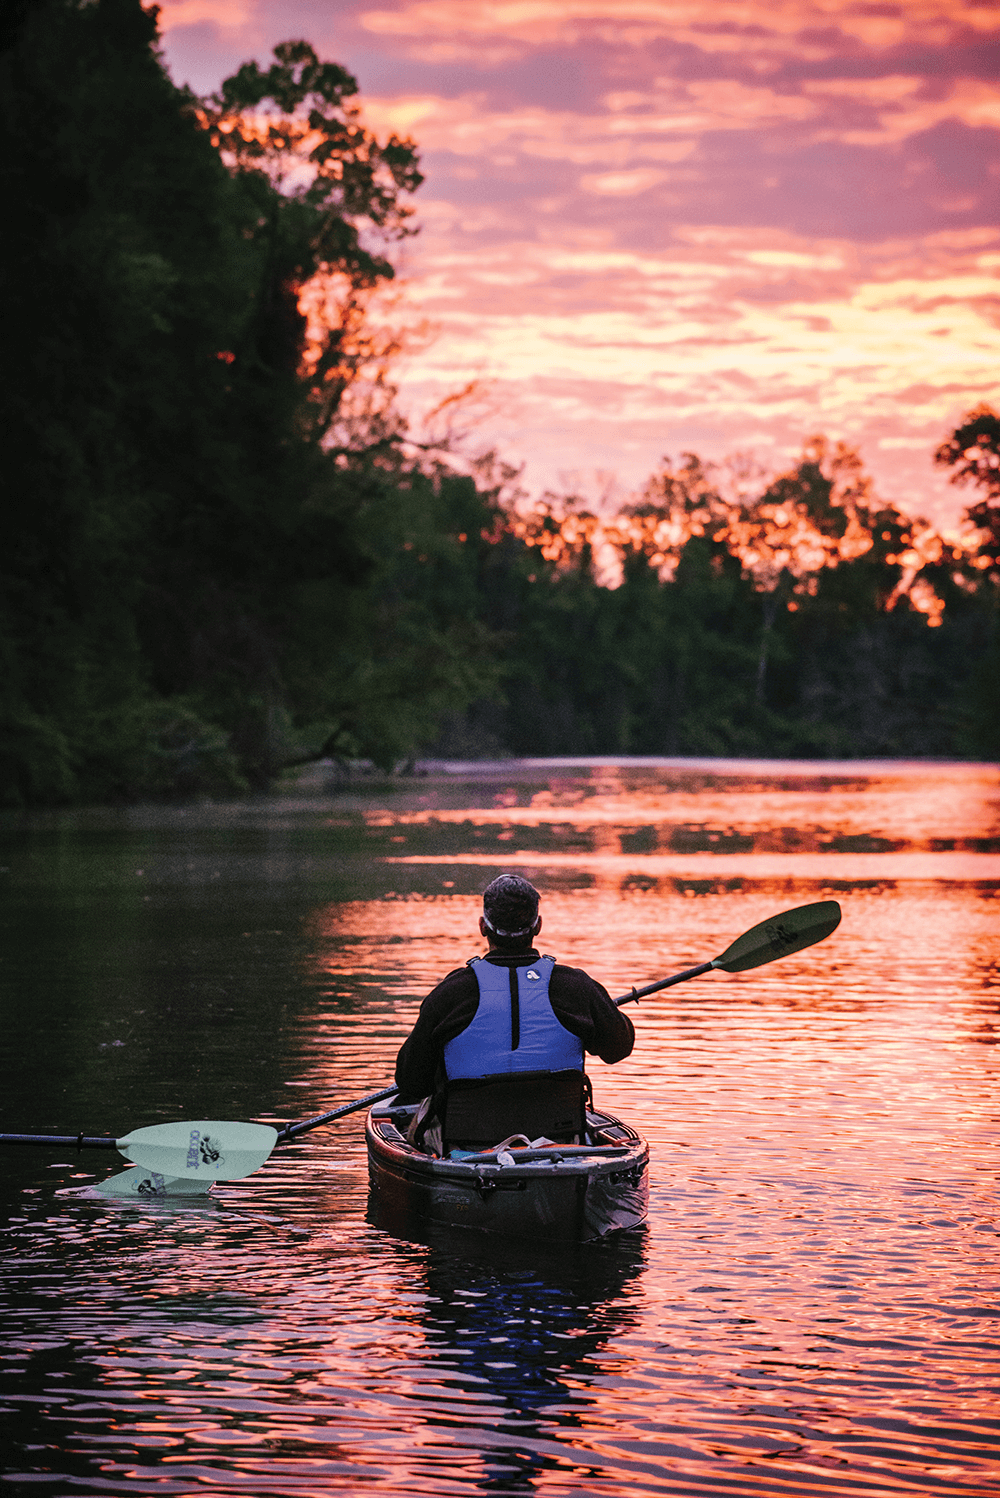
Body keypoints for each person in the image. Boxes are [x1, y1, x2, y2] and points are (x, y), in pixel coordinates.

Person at [394, 874, 634, 1153]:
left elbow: (411, 1081)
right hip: (561, 1145)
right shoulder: (576, 987)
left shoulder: (450, 994)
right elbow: (618, 1048)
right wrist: (600, 1006)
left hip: (467, 1148)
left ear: (483, 927)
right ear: (539, 926)